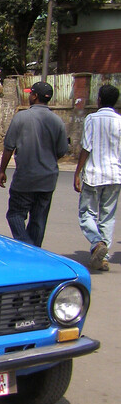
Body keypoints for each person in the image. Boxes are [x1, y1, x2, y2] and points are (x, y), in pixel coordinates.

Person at [0, 81, 68, 247]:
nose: (29, 96)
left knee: (15, 214)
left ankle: (26, 246)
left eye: (31, 93)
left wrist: (2, 171)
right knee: (38, 219)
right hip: (48, 179)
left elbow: (8, 147)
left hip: (25, 178)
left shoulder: (21, 117)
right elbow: (61, 151)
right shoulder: (58, 121)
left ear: (35, 96)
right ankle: (35, 252)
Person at [73, 84, 121, 271]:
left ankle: (96, 242)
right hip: (115, 175)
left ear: (99, 99)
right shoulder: (119, 121)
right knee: (107, 216)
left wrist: (77, 172)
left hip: (94, 174)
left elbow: (87, 147)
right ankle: (104, 257)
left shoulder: (92, 118)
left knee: (86, 213)